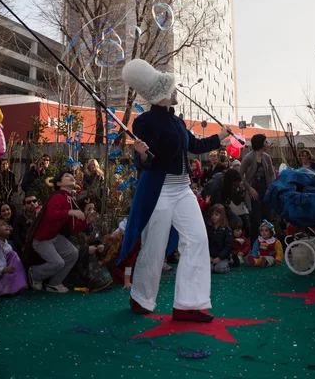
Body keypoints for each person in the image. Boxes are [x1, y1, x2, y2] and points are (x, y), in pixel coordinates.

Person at [118, 58, 230, 322]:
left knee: (198, 239)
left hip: (182, 189)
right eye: (171, 88)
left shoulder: (177, 121)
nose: (176, 91)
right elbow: (146, 159)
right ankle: (141, 297)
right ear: (161, 94)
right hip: (159, 189)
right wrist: (142, 156)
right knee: (154, 246)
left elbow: (194, 145)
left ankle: (188, 304)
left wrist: (220, 137)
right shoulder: (144, 122)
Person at [26, 170, 97, 293]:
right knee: (58, 262)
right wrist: (71, 212)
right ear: (59, 183)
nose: (71, 177)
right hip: (42, 239)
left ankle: (54, 283)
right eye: (67, 176)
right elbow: (50, 214)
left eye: (72, 176)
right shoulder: (57, 196)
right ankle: (34, 274)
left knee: (73, 253)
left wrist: (88, 220)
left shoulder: (70, 199)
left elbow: (73, 228)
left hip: (54, 237)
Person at [67, 198, 112, 293]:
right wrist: (87, 249)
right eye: (89, 209)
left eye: (93, 209)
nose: (92, 212)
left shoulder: (92, 226)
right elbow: (71, 250)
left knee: (108, 245)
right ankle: (96, 282)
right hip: (76, 264)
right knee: (89, 253)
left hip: (87, 262)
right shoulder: (74, 226)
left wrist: (101, 247)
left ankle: (103, 279)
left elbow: (97, 240)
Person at [239, 134, 276, 243]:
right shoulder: (248, 158)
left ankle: (270, 244)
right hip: (253, 193)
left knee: (267, 218)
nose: (267, 144)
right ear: (260, 144)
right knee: (255, 219)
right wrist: (249, 188)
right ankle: (254, 245)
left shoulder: (267, 157)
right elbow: (240, 174)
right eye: (266, 142)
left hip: (265, 192)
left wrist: (271, 188)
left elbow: (271, 173)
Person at [0, 218, 28, 297]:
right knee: (13, 255)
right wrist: (3, 269)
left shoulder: (5, 243)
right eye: (3, 225)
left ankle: (14, 285)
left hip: (2, 271)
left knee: (13, 254)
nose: (7, 226)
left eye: (7, 224)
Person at [207, 204, 233, 274]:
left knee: (219, 269)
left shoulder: (227, 229)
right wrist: (208, 256)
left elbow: (228, 246)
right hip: (210, 256)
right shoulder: (208, 228)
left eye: (216, 215)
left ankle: (229, 263)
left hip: (222, 257)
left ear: (221, 216)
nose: (214, 217)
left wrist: (219, 257)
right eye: (212, 215)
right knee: (208, 269)